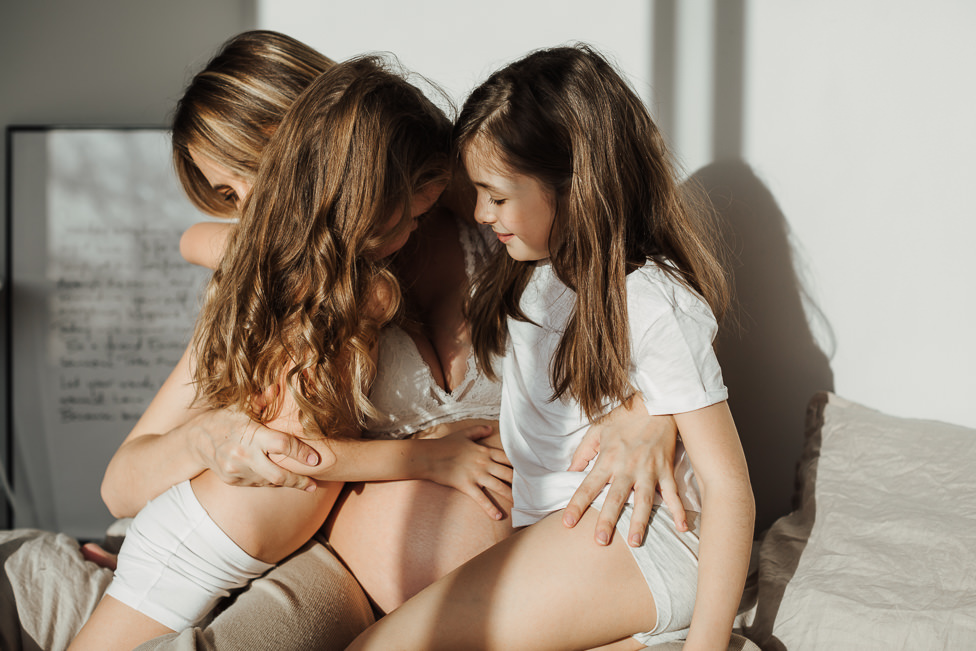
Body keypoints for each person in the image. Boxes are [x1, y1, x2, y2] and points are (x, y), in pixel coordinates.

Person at [348, 45, 755, 651]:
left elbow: (730, 490)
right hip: (574, 542)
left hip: (637, 546)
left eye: (497, 195)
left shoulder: (648, 298)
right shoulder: (540, 273)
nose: (481, 213)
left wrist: (709, 644)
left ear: (572, 186)